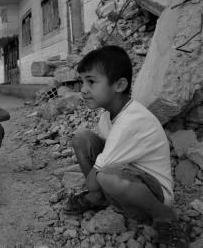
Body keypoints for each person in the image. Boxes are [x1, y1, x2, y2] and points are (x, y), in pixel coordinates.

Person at [63, 45, 189, 247]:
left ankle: (165, 217)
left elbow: (96, 178)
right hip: (129, 174)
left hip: (152, 193)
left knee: (105, 177)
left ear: (119, 85)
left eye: (91, 82)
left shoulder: (131, 121)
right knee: (82, 138)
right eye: (82, 82)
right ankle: (97, 199)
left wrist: (93, 183)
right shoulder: (107, 117)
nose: (83, 90)